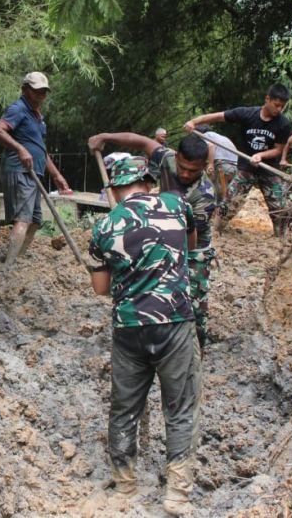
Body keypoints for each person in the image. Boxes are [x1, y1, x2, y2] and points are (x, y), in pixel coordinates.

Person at [88, 155, 201, 516]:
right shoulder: (177, 205)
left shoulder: (105, 226)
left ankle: (125, 486)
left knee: (124, 408)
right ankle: (177, 495)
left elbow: (101, 289)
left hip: (130, 328)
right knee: (180, 407)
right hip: (175, 322)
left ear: (117, 189)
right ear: (149, 182)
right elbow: (192, 244)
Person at [88, 131, 216, 348]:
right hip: (156, 230)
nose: (184, 174)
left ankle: (197, 347)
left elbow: (185, 241)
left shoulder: (204, 196)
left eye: (192, 171)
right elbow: (140, 141)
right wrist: (105, 137)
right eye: (182, 167)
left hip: (191, 249)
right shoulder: (166, 158)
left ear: (204, 166)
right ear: (176, 157)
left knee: (191, 305)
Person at [184, 83, 292, 236]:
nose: (279, 109)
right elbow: (218, 116)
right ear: (267, 99)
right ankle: (216, 230)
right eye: (276, 105)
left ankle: (281, 237)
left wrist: (261, 155)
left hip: (268, 169)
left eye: (283, 106)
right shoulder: (247, 114)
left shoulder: (284, 124)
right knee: (230, 200)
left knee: (279, 206)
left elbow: (278, 150)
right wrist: (194, 122)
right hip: (246, 167)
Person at [0, 71, 71, 268]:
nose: (41, 96)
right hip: (19, 170)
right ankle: (8, 267)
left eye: (44, 92)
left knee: (35, 221)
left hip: (34, 172)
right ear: (25, 90)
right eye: (36, 92)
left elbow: (40, 150)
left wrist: (57, 175)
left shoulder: (37, 117)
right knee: (24, 219)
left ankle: (16, 260)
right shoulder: (18, 109)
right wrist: (19, 148)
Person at [199, 125, 239, 205]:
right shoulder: (222, 137)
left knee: (219, 193)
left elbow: (211, 146)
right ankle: (228, 212)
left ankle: (219, 213)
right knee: (229, 193)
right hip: (234, 165)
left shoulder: (206, 135)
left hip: (222, 165)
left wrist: (210, 164)